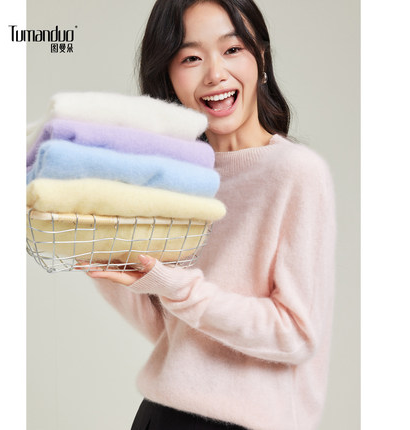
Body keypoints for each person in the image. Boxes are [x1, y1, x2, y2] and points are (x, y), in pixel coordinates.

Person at [87, 0, 336, 429]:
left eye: (232, 49)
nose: (215, 74)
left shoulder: (295, 173)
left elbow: (295, 334)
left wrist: (176, 285)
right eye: (191, 58)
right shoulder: (179, 178)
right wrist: (105, 256)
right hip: (160, 415)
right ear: (169, 75)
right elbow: (174, 332)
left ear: (261, 58)